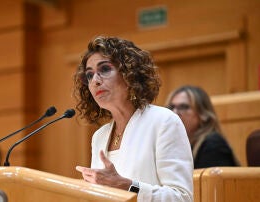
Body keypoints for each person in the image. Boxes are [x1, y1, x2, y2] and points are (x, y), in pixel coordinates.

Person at [73, 36, 193, 201]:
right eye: (89, 75)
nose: (95, 81)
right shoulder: (99, 137)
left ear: (129, 73)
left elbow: (182, 197)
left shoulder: (163, 121)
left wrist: (127, 186)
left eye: (105, 69)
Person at [165, 85, 239, 169]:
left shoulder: (213, 144)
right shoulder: (174, 145)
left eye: (183, 107)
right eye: (171, 107)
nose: (175, 113)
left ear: (203, 114)